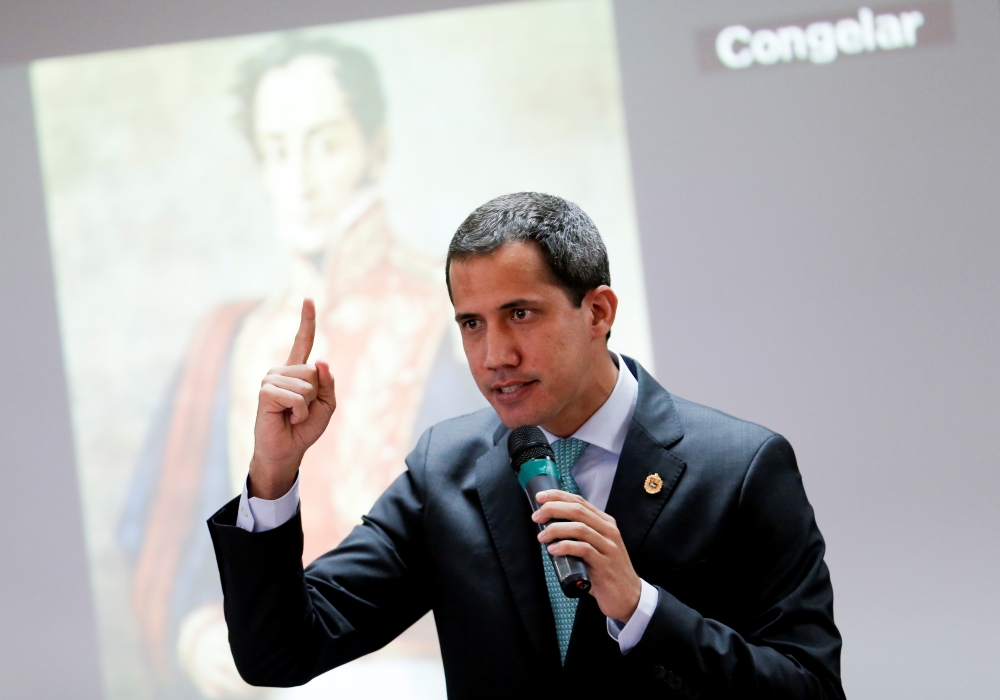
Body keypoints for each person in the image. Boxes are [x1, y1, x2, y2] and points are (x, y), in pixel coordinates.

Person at [208, 192, 845, 698]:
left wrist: (640, 608)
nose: (494, 357)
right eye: (471, 324)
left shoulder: (740, 468)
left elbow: (809, 689)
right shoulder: (445, 469)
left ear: (598, 312)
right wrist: (273, 472)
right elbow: (280, 654)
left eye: (520, 314)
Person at [119, 37, 482, 698]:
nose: (299, 179)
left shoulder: (457, 316)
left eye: (326, 144)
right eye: (277, 151)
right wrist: (200, 639)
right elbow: (166, 544)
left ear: (376, 146)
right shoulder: (228, 340)